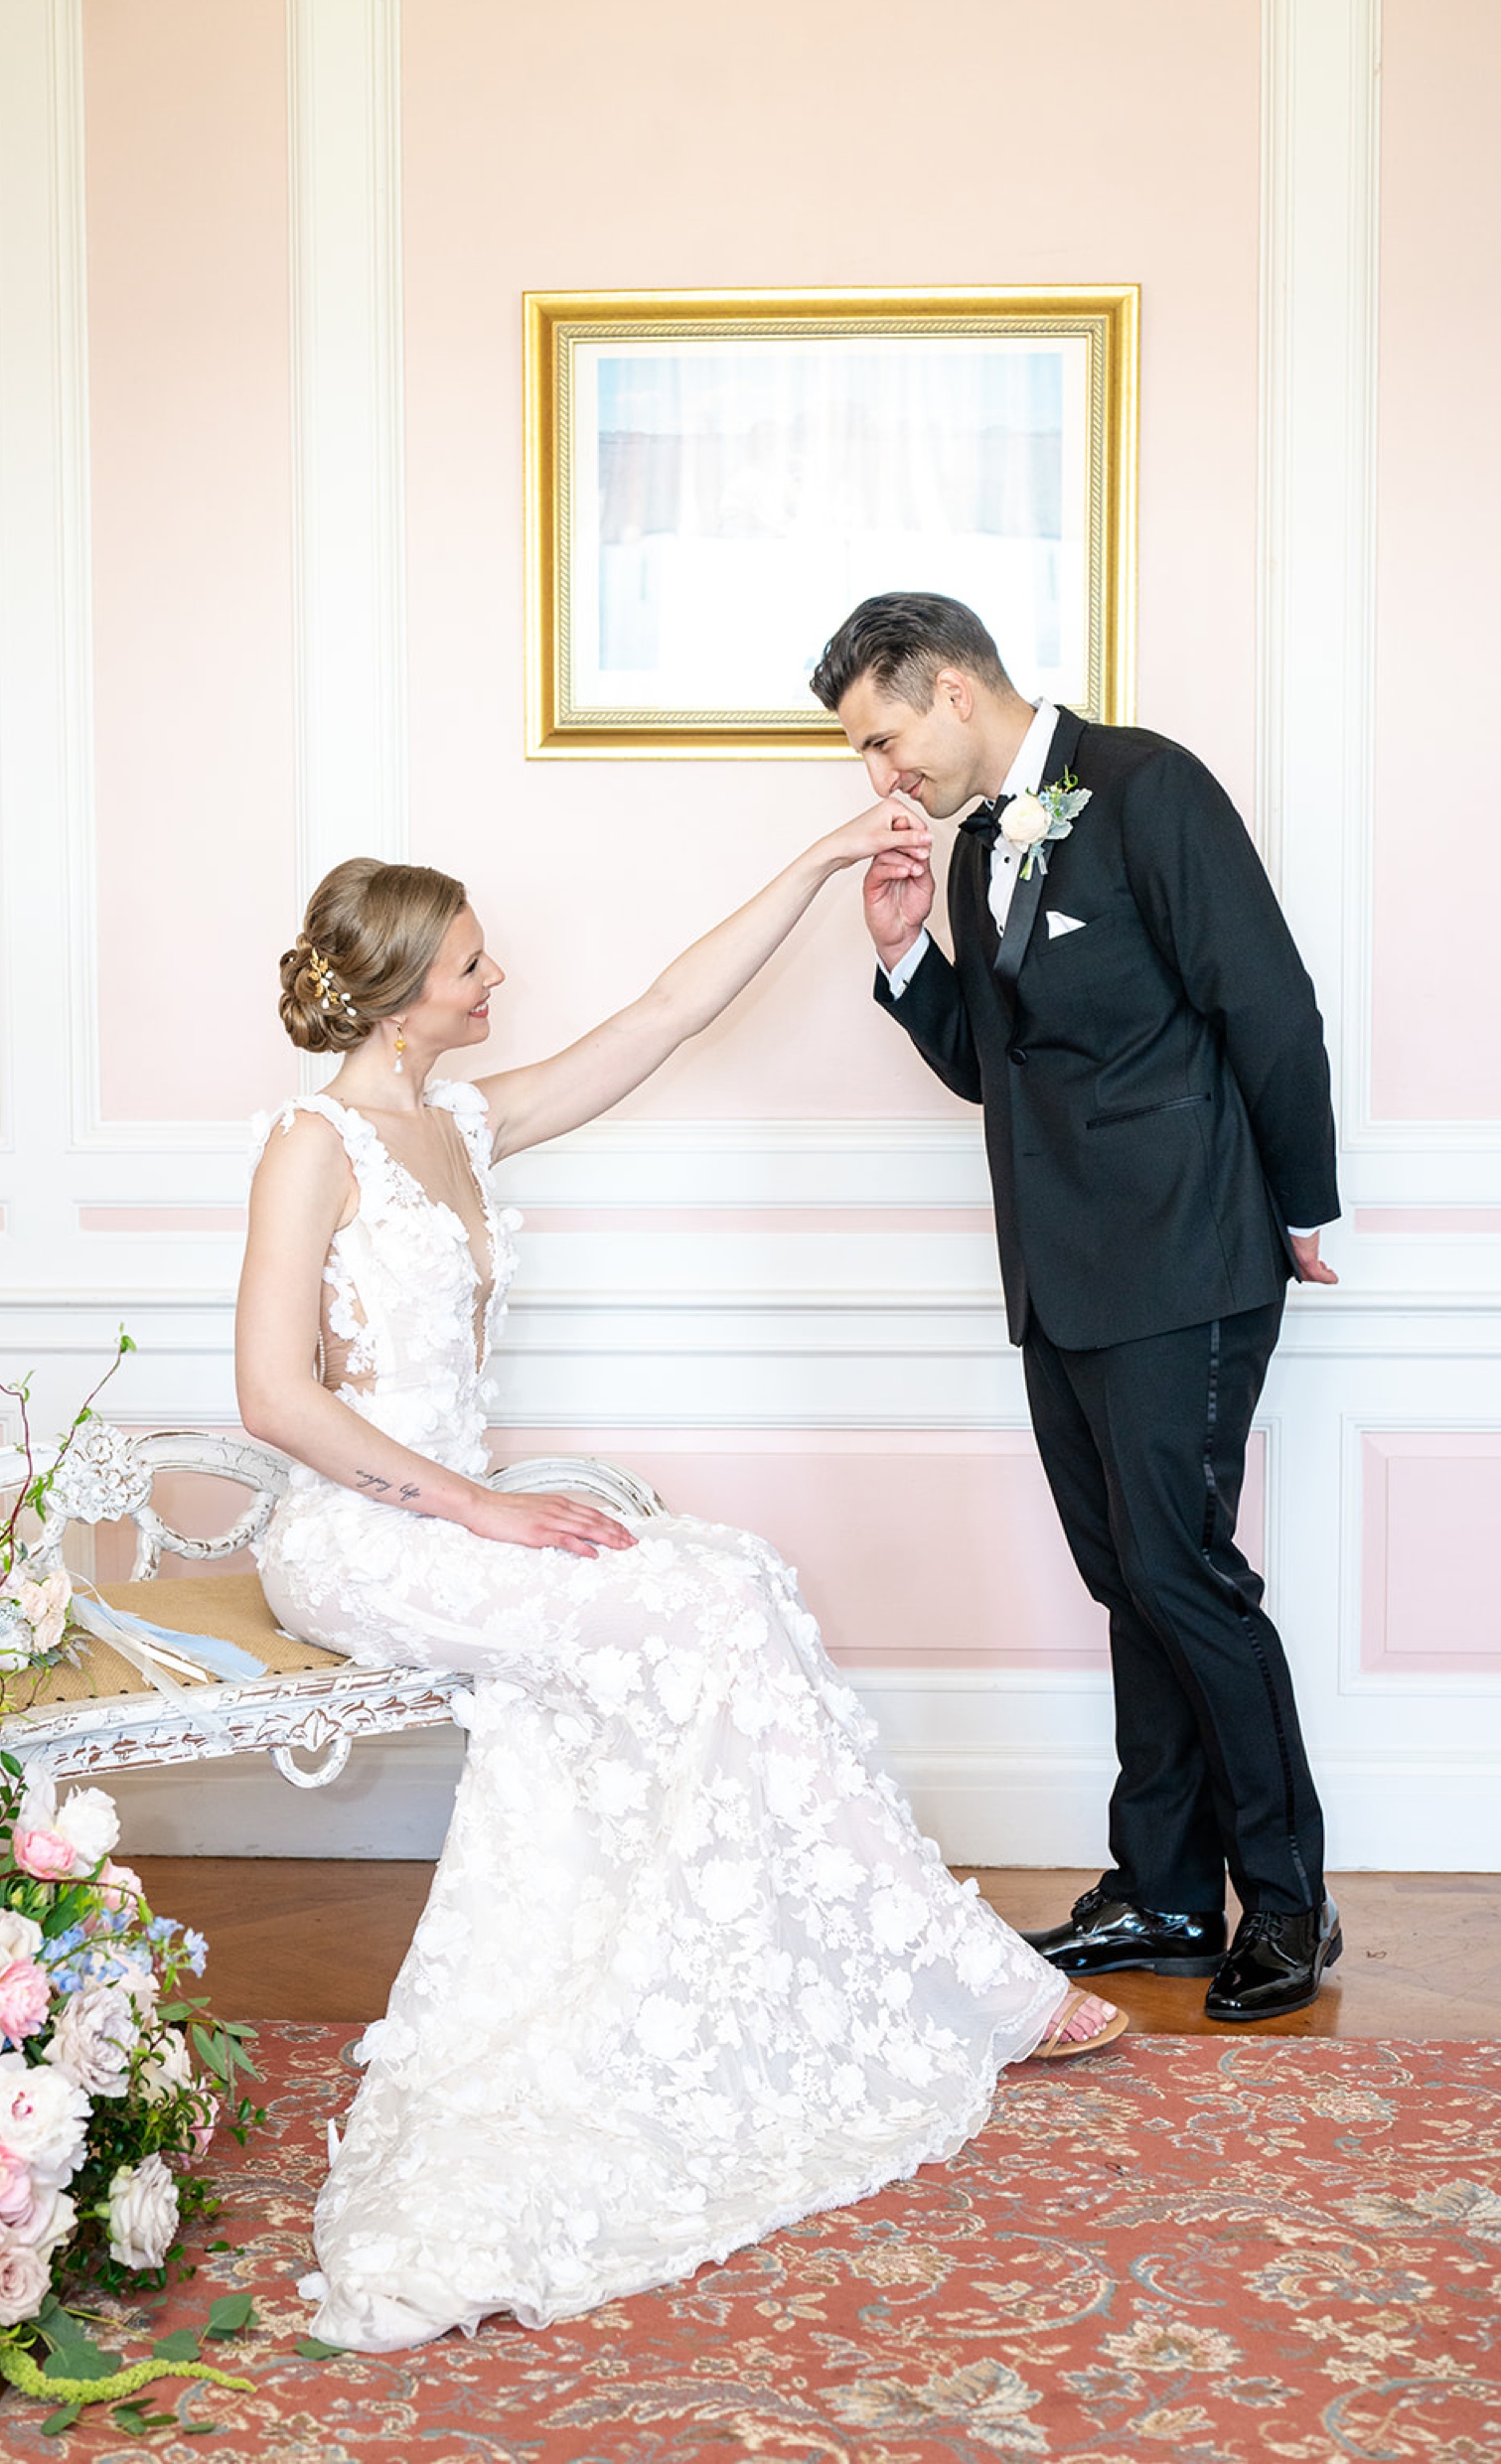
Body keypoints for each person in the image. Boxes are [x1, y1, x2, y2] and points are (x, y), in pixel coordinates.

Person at [234, 808, 1126, 2356]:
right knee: (694, 1604)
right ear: (395, 994)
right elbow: (273, 1397)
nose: (495, 973)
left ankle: (798, 1981)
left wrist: (813, 866)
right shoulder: (312, 1147)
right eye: (467, 961)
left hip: (464, 1518)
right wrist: (479, 1509)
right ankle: (967, 1979)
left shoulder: (464, 1121)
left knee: (732, 1577)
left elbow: (662, 1012)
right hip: (364, 1531)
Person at [811, 591, 1342, 2026]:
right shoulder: (983, 843)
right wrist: (910, 954)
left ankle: (1287, 1901)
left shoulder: (1151, 786)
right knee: (1131, 1580)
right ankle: (1165, 1891)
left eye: (883, 736)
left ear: (957, 693)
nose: (880, 775)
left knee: (1184, 1577)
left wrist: (1302, 1207)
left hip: (1193, 1262)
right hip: (1061, 1280)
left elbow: (1270, 1006)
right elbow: (1004, 1064)